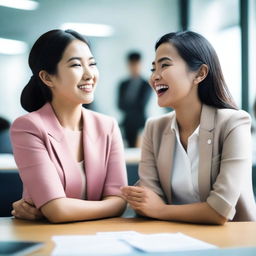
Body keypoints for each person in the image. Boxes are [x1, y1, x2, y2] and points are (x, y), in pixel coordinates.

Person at [121, 31, 256, 224]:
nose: (154, 77)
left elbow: (219, 211)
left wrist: (160, 210)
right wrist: (152, 207)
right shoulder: (154, 127)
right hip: (174, 237)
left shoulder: (234, 123)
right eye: (153, 68)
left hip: (233, 242)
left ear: (200, 74)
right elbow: (148, 201)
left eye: (165, 65)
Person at [10, 29, 127, 223]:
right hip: (48, 240)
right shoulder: (28, 127)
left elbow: (119, 201)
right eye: (76, 65)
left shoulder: (108, 126)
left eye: (92, 63)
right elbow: (58, 211)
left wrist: (59, 208)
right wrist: (57, 209)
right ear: (47, 78)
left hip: (101, 239)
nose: (89, 74)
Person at [117, 51, 151, 147]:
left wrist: (128, 105)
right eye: (132, 64)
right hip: (126, 123)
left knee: (140, 150)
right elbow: (119, 105)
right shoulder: (123, 84)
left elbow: (142, 105)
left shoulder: (146, 84)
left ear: (140, 64)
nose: (134, 67)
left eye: (136, 64)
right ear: (128, 65)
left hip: (141, 123)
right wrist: (132, 106)